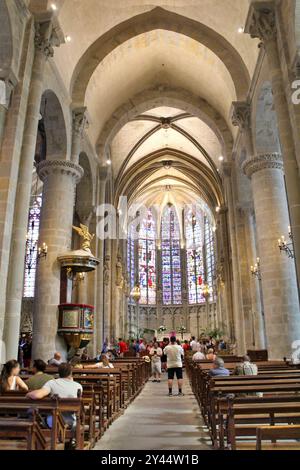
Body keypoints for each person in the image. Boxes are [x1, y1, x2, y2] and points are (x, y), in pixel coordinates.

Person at [27, 363, 82, 430]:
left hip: (53, 421)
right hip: (71, 422)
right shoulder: (78, 386)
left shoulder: (51, 383)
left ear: (59, 372)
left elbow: (36, 395)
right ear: (71, 373)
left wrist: (28, 394)